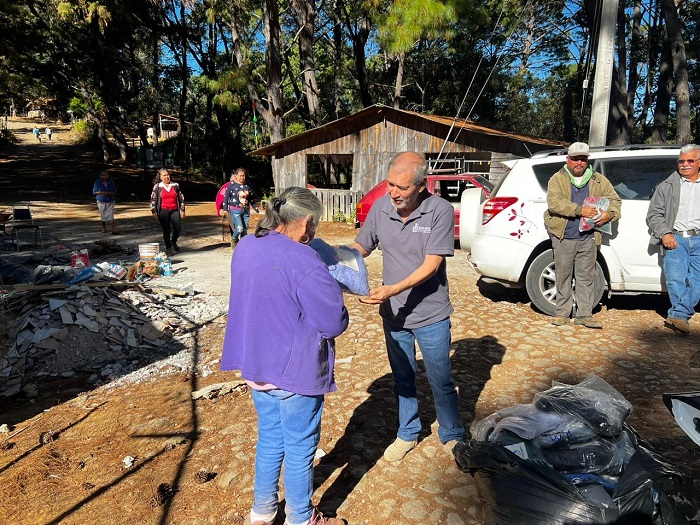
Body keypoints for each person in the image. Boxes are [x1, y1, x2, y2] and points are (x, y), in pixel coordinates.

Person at [221, 187, 349, 525]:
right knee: (299, 448)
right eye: (315, 225)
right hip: (295, 371)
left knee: (270, 438)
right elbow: (332, 322)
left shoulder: (246, 245)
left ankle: (261, 512)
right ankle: (301, 518)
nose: (314, 232)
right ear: (304, 222)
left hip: (257, 366)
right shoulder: (303, 258)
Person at [349, 151, 465, 462]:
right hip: (393, 314)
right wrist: (340, 258)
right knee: (402, 377)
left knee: (440, 378)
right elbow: (363, 246)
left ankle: (452, 432)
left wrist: (393, 289)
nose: (394, 193)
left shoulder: (439, 210)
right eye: (390, 185)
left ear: (421, 186)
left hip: (431, 314)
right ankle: (408, 432)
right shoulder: (381, 207)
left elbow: (432, 263)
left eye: (402, 188)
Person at [544, 142, 621, 329]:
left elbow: (615, 201)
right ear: (567, 159)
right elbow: (555, 203)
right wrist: (580, 210)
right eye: (575, 158)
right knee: (563, 276)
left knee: (586, 277)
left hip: (588, 237)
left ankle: (584, 315)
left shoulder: (599, 180)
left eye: (583, 159)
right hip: (564, 236)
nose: (579, 162)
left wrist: (609, 214)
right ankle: (562, 314)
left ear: (587, 160)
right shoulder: (557, 178)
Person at [646, 144, 700, 336]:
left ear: (699, 162)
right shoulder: (666, 186)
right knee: (675, 279)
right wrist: (665, 233)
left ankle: (679, 313)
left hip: (699, 237)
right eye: (681, 161)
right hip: (675, 237)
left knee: (698, 280)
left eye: (690, 161)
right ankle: (680, 317)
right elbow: (653, 215)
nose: (685, 165)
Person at [150, 168, 185, 256]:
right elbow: (153, 199)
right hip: (163, 211)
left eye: (167, 175)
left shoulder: (175, 185)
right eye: (164, 175)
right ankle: (168, 248)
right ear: (160, 177)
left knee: (178, 228)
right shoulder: (158, 186)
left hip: (174, 210)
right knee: (166, 230)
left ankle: (173, 241)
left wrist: (182, 209)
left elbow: (181, 198)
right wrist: (153, 210)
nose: (167, 177)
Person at [223, 167, 259, 248]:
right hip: (235, 210)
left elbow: (251, 199)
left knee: (245, 229)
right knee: (239, 228)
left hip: (246, 210)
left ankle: (243, 245)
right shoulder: (231, 186)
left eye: (244, 176)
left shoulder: (247, 187)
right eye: (240, 176)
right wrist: (225, 209)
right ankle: (234, 239)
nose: (242, 177)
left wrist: (255, 208)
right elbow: (226, 198)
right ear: (236, 176)